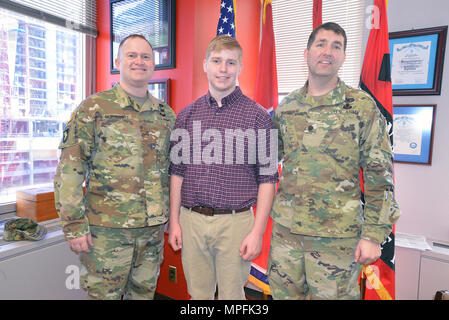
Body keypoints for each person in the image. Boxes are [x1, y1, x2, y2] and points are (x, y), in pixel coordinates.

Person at [268, 22, 400, 300]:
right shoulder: (287, 107)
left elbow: (381, 175)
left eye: (336, 46)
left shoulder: (362, 107)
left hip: (337, 242)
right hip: (286, 237)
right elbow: (266, 163)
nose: (327, 52)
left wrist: (374, 235)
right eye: (321, 44)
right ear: (307, 53)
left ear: (343, 56)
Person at [54, 34, 176, 300]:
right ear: (118, 61)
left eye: (146, 56)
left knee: (144, 296)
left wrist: (172, 219)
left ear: (153, 65)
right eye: (132, 55)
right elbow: (70, 170)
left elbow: (173, 171)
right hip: (106, 233)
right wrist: (74, 225)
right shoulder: (93, 109)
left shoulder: (166, 115)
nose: (139, 61)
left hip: (151, 233)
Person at [168, 35, 278, 300]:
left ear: (240, 67)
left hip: (236, 223)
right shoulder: (185, 115)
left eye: (231, 62)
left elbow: (268, 179)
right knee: (198, 295)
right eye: (217, 61)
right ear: (205, 64)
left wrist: (258, 232)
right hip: (191, 220)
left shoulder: (259, 117)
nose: (223, 69)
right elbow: (177, 173)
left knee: (232, 297)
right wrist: (174, 222)